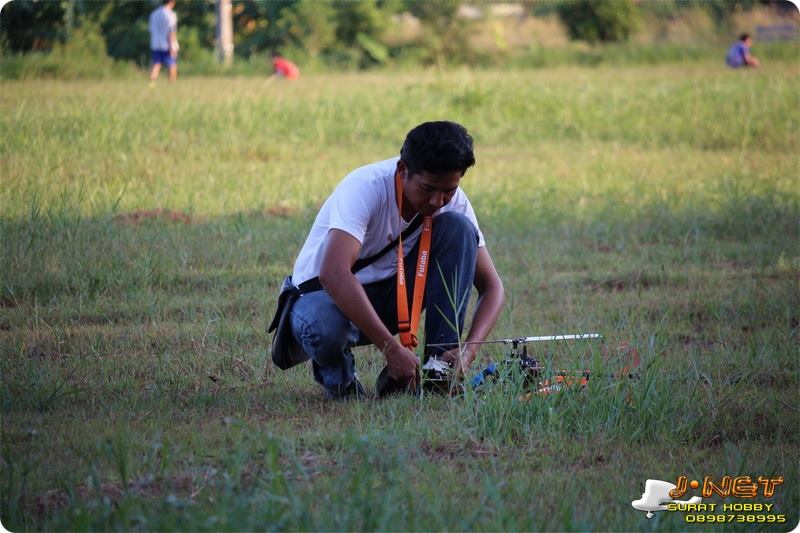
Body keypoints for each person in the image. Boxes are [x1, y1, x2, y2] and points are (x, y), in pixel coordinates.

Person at [287, 121, 505, 400]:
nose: (437, 201)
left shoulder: (453, 201)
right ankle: (343, 383)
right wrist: (391, 349)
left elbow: (493, 287)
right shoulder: (364, 187)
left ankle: (437, 373)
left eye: (448, 190)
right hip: (324, 299)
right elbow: (333, 273)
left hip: (389, 299)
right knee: (324, 324)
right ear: (403, 170)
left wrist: (469, 350)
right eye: (427, 188)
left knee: (459, 229)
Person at [149, 0, 179, 84]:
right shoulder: (171, 14)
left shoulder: (154, 14)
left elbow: (151, 30)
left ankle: (152, 83)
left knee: (156, 64)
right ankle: (172, 83)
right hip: (167, 44)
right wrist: (172, 46)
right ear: (171, 2)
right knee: (172, 64)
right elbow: (171, 31)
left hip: (155, 43)